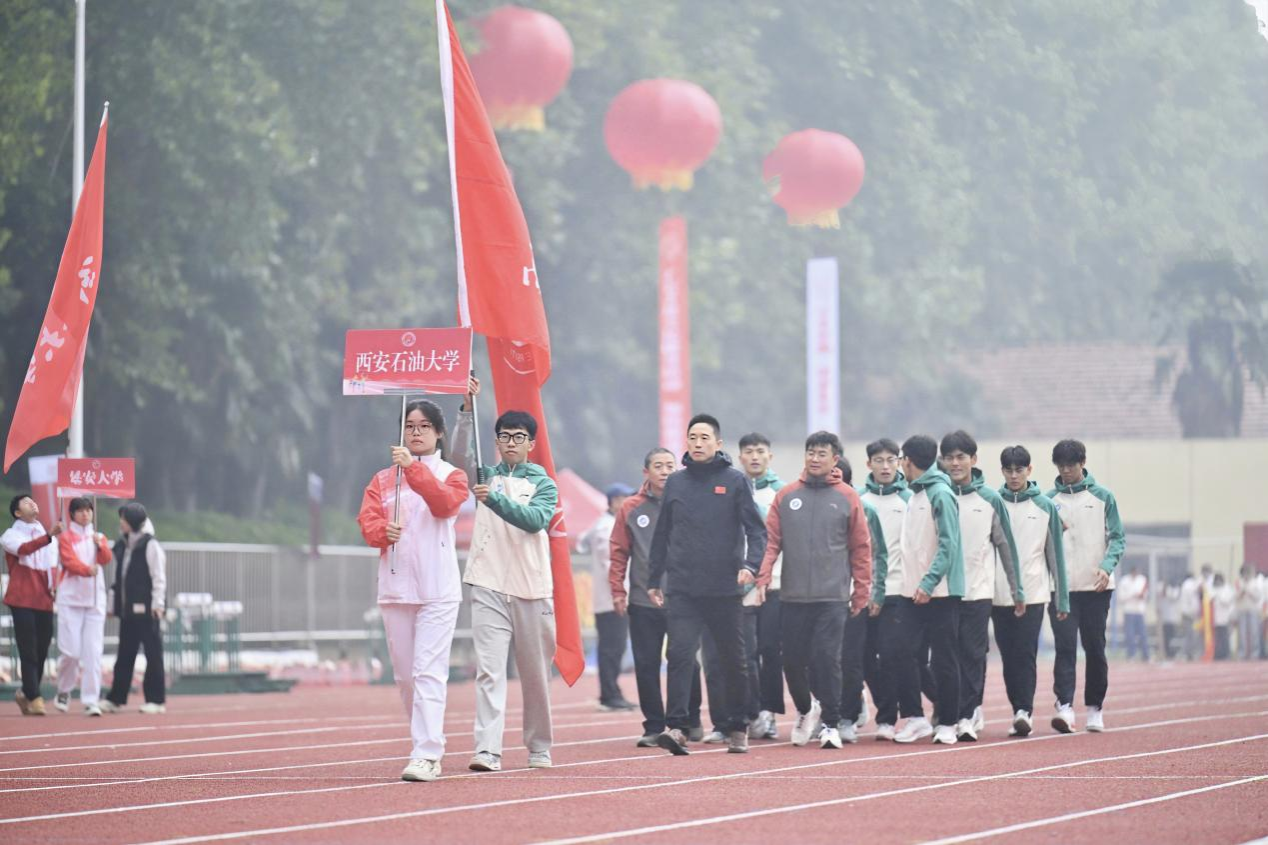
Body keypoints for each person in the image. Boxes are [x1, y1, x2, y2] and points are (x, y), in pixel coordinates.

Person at [357, 397, 469, 783]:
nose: (416, 432)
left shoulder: (452, 475)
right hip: (396, 585)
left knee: (427, 673)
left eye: (423, 426)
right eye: (409, 426)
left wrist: (413, 469)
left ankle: (426, 753)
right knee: (406, 677)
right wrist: (380, 532)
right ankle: (424, 739)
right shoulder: (382, 479)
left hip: (437, 588)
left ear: (439, 433)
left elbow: (444, 506)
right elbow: (367, 521)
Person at [647, 414, 766, 756]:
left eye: (704, 438)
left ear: (718, 443)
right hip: (682, 587)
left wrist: (750, 566)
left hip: (724, 588)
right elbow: (662, 533)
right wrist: (653, 579)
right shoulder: (676, 483)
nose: (697, 443)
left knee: (733, 660)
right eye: (693, 437)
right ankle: (677, 727)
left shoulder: (735, 481)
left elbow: (756, 530)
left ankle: (738, 726)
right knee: (679, 655)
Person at [752, 432, 870, 749]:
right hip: (793, 597)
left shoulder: (847, 497)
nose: (815, 459)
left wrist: (861, 590)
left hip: (832, 597)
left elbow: (861, 548)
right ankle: (806, 709)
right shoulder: (787, 496)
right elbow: (771, 542)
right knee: (791, 661)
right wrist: (763, 576)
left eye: (822, 454)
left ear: (835, 459)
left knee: (827, 659)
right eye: (811, 453)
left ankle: (830, 724)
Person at [462, 408, 560, 773]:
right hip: (488, 582)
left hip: (531, 588)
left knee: (535, 676)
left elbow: (535, 520)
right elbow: (458, 456)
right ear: (497, 440)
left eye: (519, 437)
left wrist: (494, 500)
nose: (511, 443)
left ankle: (539, 746)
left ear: (531, 443)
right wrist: (465, 412)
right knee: (489, 671)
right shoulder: (484, 475)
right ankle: (487, 750)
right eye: (504, 436)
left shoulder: (543, 483)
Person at [609, 448, 705, 747]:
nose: (664, 471)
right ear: (646, 472)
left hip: (683, 598)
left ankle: (690, 720)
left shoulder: (688, 502)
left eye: (669, 466)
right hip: (643, 600)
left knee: (685, 661)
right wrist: (617, 590)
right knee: (646, 664)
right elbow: (618, 551)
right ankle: (653, 726)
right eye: (658, 466)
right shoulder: (631, 507)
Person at [940, 430, 1021, 742]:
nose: (955, 463)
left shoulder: (990, 499)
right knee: (944, 657)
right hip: (942, 592)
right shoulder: (937, 495)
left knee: (972, 654)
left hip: (978, 590)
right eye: (949, 458)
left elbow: (1006, 547)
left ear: (973, 460)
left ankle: (966, 714)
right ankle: (950, 709)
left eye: (961, 457)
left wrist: (1017, 589)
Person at [1047, 439, 1125, 734]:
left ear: (1083, 463)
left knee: (1094, 648)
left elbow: (1117, 538)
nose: (1066, 470)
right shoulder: (1048, 501)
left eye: (1071, 465)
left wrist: (1106, 567)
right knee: (1065, 647)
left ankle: (1095, 708)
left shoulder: (1103, 497)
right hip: (1061, 589)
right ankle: (1064, 707)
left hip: (1096, 588)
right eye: (1061, 465)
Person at [893, 435, 964, 745]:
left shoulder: (941, 494)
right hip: (911, 592)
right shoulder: (915, 494)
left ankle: (948, 721)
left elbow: (949, 545)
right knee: (901, 652)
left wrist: (928, 582)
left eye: (900, 460)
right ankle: (916, 718)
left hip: (941, 593)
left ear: (908, 461)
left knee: (944, 659)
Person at [995, 445, 1070, 737]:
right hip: (999, 592)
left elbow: (1055, 555)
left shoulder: (1045, 506)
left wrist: (1061, 598)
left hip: (1035, 592)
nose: (1014, 476)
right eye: (1009, 470)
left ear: (1029, 470)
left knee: (1025, 652)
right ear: (1002, 471)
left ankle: (1024, 711)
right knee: (1008, 655)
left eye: (1019, 470)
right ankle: (1017, 707)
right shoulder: (994, 503)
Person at [857, 438, 912, 741]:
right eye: (879, 460)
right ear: (869, 464)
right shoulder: (858, 500)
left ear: (899, 462)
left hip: (898, 591)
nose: (886, 466)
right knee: (864, 658)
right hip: (864, 592)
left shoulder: (909, 499)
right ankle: (884, 705)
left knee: (891, 655)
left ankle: (888, 719)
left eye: (891, 460)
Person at [833, 455, 886, 744]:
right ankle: (831, 711)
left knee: (851, 659)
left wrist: (871, 592)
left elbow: (877, 555)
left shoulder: (866, 510)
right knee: (819, 660)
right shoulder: (813, 505)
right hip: (820, 596)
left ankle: (847, 716)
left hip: (854, 596)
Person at [738, 432, 785, 741]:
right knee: (746, 654)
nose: (754, 457)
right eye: (749, 452)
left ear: (770, 456)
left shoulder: (782, 493)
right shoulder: (733, 488)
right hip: (740, 586)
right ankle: (750, 711)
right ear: (740, 457)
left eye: (760, 451)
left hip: (775, 585)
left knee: (770, 650)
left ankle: (769, 712)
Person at [101, 502, 167, 714]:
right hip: (127, 611)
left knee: (153, 655)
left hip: (148, 611)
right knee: (124, 655)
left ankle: (156, 700)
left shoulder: (150, 545)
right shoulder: (122, 545)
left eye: (124, 519)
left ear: (133, 522)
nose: (121, 522)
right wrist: (112, 605)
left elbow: (159, 577)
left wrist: (158, 604)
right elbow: (118, 579)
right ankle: (115, 699)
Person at [577, 482, 636, 712]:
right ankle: (609, 695)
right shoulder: (606, 528)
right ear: (614, 501)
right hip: (612, 600)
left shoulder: (612, 524)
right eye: (624, 498)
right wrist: (622, 592)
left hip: (614, 598)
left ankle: (613, 692)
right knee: (612, 648)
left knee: (615, 648)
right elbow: (610, 563)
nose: (628, 503)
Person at [3, 494, 62, 716]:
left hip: (44, 598)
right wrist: (49, 536)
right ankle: (35, 696)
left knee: (42, 647)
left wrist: (55, 586)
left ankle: (26, 692)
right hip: (22, 598)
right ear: (17, 512)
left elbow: (53, 565)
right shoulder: (10, 535)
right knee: (28, 648)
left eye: (32, 500)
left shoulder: (46, 535)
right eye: (26, 502)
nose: (32, 503)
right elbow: (24, 550)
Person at [53, 497, 113, 716]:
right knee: (71, 652)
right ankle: (64, 690)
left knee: (93, 653)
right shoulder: (65, 537)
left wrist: (101, 546)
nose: (86, 514)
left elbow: (106, 559)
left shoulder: (98, 536)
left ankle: (91, 700)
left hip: (95, 601)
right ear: (72, 514)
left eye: (88, 510)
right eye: (80, 511)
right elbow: (68, 561)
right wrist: (87, 570)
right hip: (70, 600)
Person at [1118, 564, 1150, 662]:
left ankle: (1145, 655)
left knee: (1143, 634)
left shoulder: (1142, 580)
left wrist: (1141, 596)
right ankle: (1131, 655)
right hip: (1129, 611)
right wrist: (1132, 595)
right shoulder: (1124, 581)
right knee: (1130, 635)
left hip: (1140, 611)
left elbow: (1145, 595)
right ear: (1131, 572)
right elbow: (1121, 597)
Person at [1235, 564, 1264, 661]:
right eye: (1245, 573)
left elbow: (1258, 597)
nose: (1246, 575)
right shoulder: (1239, 583)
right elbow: (1235, 597)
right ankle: (1241, 653)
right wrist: (1242, 591)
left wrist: (1250, 592)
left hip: (1253, 609)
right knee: (1242, 633)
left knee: (1254, 632)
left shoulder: (1255, 583)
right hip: (1242, 609)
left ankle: (1254, 653)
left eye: (1248, 573)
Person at [1179, 570, 1202, 661]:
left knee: (1190, 634)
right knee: (1191, 635)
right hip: (1190, 614)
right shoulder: (1189, 585)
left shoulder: (1184, 585)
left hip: (1186, 613)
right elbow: (1192, 599)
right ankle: (1186, 653)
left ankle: (1189, 653)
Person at [1211, 574, 1235, 661]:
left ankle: (1226, 654)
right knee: (1217, 638)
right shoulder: (1212, 589)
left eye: (1219, 580)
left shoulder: (1227, 589)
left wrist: (1218, 596)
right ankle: (1218, 654)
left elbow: (1227, 602)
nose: (1217, 582)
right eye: (1216, 580)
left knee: (1225, 637)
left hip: (1225, 617)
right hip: (1215, 618)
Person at [1159, 577, 1182, 660]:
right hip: (1165, 619)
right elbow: (1161, 596)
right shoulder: (1164, 591)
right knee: (1166, 638)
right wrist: (1164, 589)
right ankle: (1167, 653)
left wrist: (1167, 590)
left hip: (1173, 618)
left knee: (1172, 637)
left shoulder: (1175, 590)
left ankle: (1171, 653)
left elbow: (1173, 597)